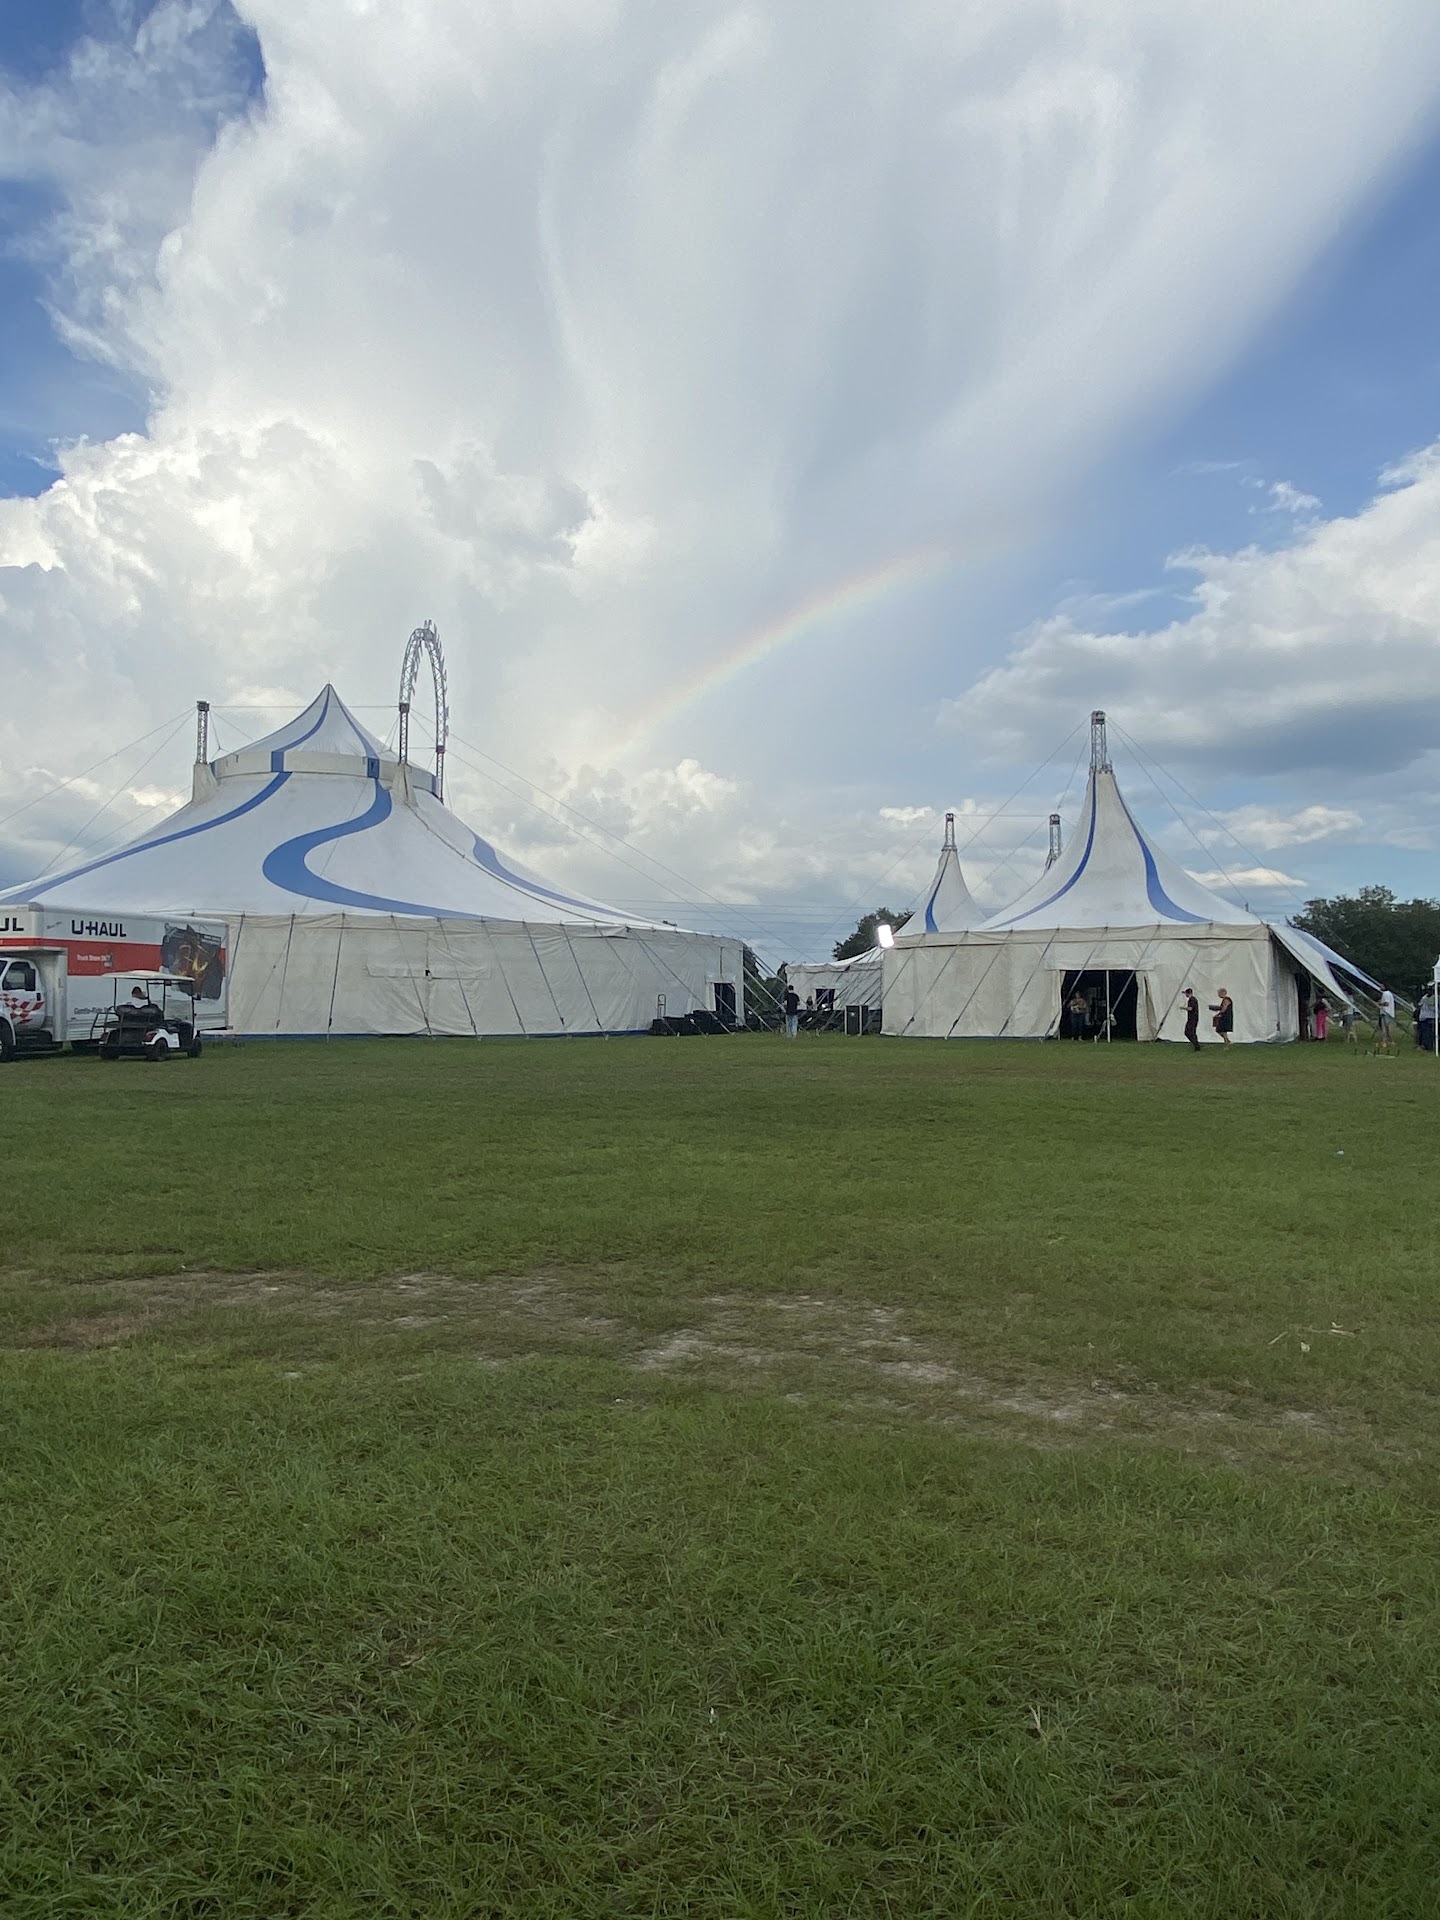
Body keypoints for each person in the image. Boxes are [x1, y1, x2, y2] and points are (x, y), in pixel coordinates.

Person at [1376, 985, 1395, 1054]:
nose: (1380, 987)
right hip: (1385, 1013)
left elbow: (1386, 1003)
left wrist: (1379, 1003)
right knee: (1384, 1028)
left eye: (1382, 986)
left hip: (1386, 1012)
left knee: (1386, 1028)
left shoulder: (1386, 993)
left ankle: (1389, 1041)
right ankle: (1385, 1041)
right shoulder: (1388, 993)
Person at [1182, 987, 1201, 1051]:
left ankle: (1196, 1045)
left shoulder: (1192, 1000)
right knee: (1191, 1032)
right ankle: (1196, 1044)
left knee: (1189, 1032)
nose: (1185, 995)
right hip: (1192, 1018)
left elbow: (1190, 1008)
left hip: (1192, 1018)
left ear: (1188, 993)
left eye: (1186, 993)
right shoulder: (1193, 999)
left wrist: (1183, 1008)